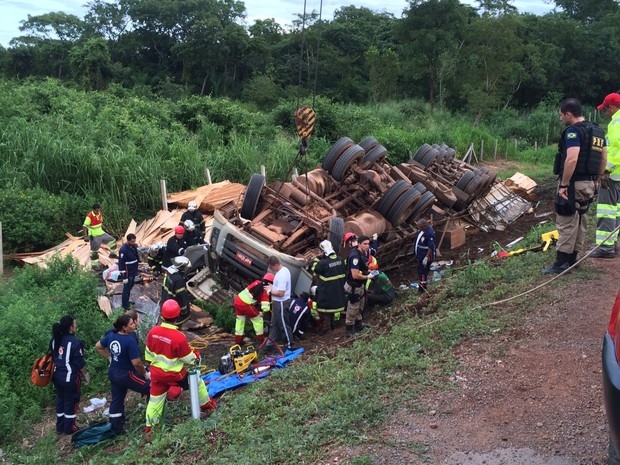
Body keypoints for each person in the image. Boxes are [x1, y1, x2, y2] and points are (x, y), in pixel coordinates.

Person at [541, 98, 607, 272]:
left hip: (574, 184)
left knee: (566, 219)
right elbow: (603, 158)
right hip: (590, 183)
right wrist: (598, 178)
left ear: (568, 114)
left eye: (561, 115)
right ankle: (573, 259)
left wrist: (563, 184)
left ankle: (561, 262)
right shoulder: (598, 131)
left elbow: (572, 158)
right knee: (581, 220)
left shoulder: (573, 132)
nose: (560, 118)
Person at [144, 300, 216, 438]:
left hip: (157, 375)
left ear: (162, 315)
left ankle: (150, 431)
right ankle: (207, 406)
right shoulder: (179, 337)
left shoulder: (153, 332)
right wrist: (195, 354)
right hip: (175, 375)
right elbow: (188, 359)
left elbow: (148, 355)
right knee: (197, 382)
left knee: (155, 401)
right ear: (178, 316)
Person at [95, 314, 150, 434]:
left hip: (113, 372)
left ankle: (116, 427)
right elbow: (136, 363)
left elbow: (98, 346)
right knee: (150, 387)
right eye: (131, 324)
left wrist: (110, 358)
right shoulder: (129, 341)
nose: (134, 325)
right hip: (126, 374)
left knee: (117, 399)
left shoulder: (111, 335)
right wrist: (145, 374)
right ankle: (152, 418)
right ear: (124, 327)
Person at [591, 93, 620, 258]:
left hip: (613, 175)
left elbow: (616, 150)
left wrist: (606, 170)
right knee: (616, 211)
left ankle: (605, 247)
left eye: (606, 109)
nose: (605, 113)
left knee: (606, 210)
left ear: (612, 107)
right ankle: (613, 242)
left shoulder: (616, 123)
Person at [50, 315, 89, 435]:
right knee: (71, 401)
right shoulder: (75, 342)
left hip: (56, 376)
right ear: (70, 327)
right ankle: (70, 427)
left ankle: (60, 426)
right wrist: (86, 375)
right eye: (75, 324)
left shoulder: (54, 340)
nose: (76, 326)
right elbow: (79, 362)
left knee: (61, 400)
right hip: (69, 377)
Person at [311, 239, 347, 334]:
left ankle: (326, 328)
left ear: (323, 251)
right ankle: (336, 324)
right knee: (337, 309)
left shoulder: (323, 263)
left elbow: (314, 268)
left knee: (326, 311)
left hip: (327, 292)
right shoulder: (340, 260)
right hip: (339, 291)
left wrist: (316, 259)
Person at [344, 235, 375, 338]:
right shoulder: (355, 257)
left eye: (368, 244)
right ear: (359, 244)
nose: (367, 246)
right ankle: (349, 329)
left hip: (359, 285)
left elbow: (362, 267)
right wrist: (367, 276)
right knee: (353, 307)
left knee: (360, 305)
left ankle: (359, 325)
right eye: (365, 244)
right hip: (354, 286)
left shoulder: (362, 253)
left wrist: (368, 271)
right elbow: (355, 275)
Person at [265, 256, 295, 351]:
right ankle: (270, 343)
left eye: (271, 267)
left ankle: (290, 344)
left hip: (281, 302)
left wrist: (270, 291)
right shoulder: (283, 270)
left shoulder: (282, 275)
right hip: (277, 302)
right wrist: (272, 287)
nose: (271, 269)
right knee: (274, 323)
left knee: (283, 323)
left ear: (276, 265)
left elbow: (281, 293)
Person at [233, 273, 273, 345]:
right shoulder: (265, 290)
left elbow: (254, 295)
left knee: (240, 322)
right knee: (258, 320)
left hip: (238, 301)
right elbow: (266, 307)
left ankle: (238, 341)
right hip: (245, 305)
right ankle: (261, 340)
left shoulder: (257, 282)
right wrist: (262, 313)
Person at [83, 203, 118, 271]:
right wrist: (85, 236)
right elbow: (84, 226)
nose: (98, 211)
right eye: (97, 210)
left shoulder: (99, 213)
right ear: (93, 210)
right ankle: (94, 265)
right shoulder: (89, 216)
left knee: (112, 241)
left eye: (99, 210)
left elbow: (100, 223)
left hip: (101, 232)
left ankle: (113, 254)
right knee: (94, 250)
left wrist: (106, 229)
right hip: (94, 235)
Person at [161, 256, 191, 325]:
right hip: (175, 309)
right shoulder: (178, 280)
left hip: (166, 303)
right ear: (181, 267)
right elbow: (181, 297)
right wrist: (184, 311)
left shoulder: (169, 271)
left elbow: (164, 286)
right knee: (177, 325)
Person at [118, 233, 140, 311]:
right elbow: (121, 263)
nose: (134, 243)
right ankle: (125, 305)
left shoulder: (132, 247)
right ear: (128, 241)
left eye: (134, 241)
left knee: (130, 286)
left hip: (133, 271)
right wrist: (124, 276)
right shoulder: (123, 250)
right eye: (132, 241)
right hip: (128, 272)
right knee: (126, 289)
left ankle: (127, 301)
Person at [415, 218, 436, 293]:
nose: (418, 228)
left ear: (423, 226)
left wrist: (426, 257)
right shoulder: (423, 231)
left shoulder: (429, 233)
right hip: (421, 255)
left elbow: (431, 246)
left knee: (423, 272)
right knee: (420, 270)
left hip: (426, 256)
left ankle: (422, 288)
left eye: (419, 226)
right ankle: (423, 285)